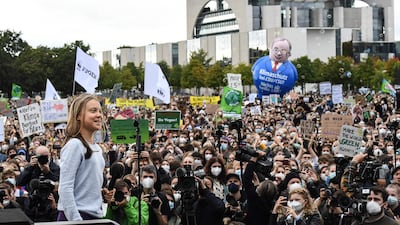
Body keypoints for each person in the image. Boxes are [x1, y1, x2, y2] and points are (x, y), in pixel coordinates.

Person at [57, 93, 107, 221]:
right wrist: (76, 220)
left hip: (95, 216)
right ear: (78, 115)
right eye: (93, 111)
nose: (99, 115)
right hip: (76, 216)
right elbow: (65, 188)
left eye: (100, 111)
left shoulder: (97, 148)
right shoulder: (75, 145)